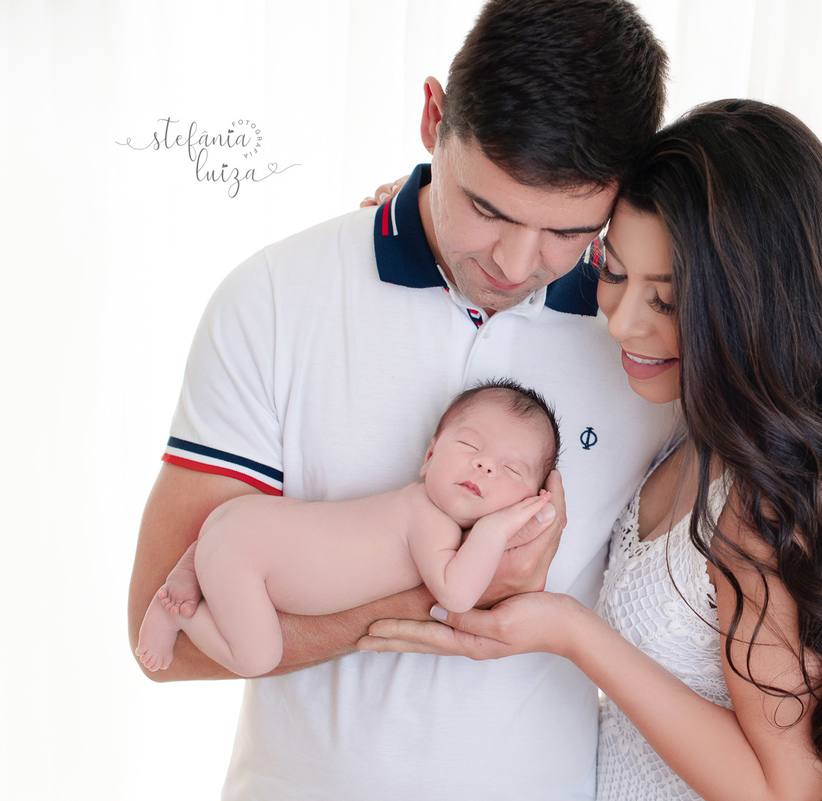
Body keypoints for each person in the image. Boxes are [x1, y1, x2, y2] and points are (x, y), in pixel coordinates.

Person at [126, 2, 679, 798]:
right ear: (432, 119)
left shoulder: (649, 346)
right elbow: (164, 636)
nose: (516, 262)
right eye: (487, 208)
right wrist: (452, 586)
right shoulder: (275, 297)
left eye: (568, 230)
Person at [359, 100, 822, 801]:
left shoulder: (778, 496)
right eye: (614, 271)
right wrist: (440, 220)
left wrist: (573, 633)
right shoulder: (699, 420)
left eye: (667, 300)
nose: (622, 322)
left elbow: (794, 790)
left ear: (756, 307)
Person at [135, 381, 560, 676]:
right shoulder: (428, 518)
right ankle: (179, 614)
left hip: (241, 521)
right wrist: (496, 530)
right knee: (258, 657)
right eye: (470, 446)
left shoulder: (415, 510)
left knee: (229, 551)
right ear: (430, 457)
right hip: (247, 559)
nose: (484, 465)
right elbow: (458, 594)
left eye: (510, 469)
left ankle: (192, 567)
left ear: (531, 500)